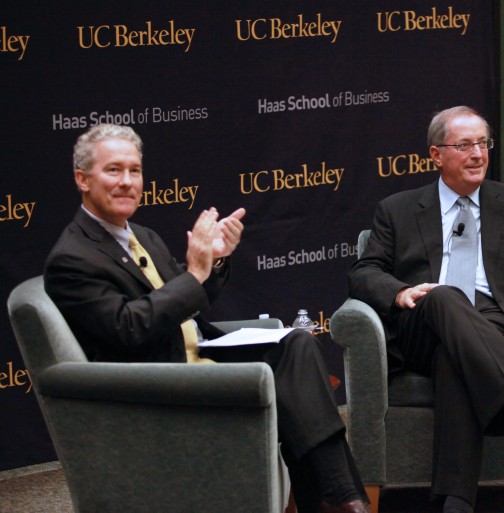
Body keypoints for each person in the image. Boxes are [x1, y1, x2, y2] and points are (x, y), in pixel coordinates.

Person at [44, 123, 370, 513]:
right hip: (159, 382)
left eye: (135, 170)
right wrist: (194, 273)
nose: (127, 182)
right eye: (113, 170)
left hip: (197, 354)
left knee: (297, 344)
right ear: (83, 179)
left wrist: (213, 262)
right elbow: (127, 329)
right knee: (298, 391)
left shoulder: (141, 235)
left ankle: (339, 499)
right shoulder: (72, 258)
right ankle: (342, 500)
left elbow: (190, 302)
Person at [348, 106, 504, 513]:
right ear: (436, 154)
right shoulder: (398, 209)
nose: (477, 154)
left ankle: (455, 503)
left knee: (453, 357)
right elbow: (364, 271)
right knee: (442, 296)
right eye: (464, 145)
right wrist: (400, 291)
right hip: (421, 321)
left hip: (495, 324)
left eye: (483, 143)